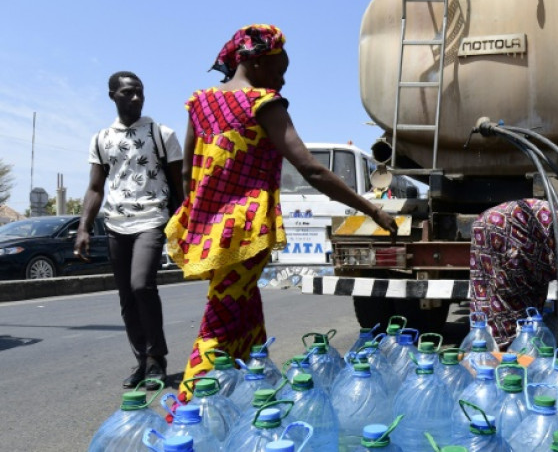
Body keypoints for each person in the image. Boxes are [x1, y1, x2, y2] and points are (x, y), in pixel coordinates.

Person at [165, 24, 397, 400]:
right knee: (219, 324)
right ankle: (187, 412)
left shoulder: (200, 103)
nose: (283, 80)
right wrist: (371, 209)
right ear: (256, 63)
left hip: (209, 229)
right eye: (279, 69)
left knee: (244, 310)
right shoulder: (263, 103)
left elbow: (186, 171)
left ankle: (260, 393)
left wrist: (194, 216)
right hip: (242, 231)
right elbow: (312, 169)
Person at [76, 71, 184, 390]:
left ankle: (156, 360)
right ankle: (142, 361)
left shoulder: (161, 133)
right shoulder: (101, 139)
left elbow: (179, 186)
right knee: (126, 297)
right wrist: (83, 228)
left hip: (152, 219)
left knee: (141, 286)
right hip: (115, 223)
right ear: (113, 95)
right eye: (128, 93)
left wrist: (183, 226)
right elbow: (95, 188)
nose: (135, 97)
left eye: (139, 92)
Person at [470, 199, 558, 348]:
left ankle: (482, 341)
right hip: (505, 230)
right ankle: (508, 347)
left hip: (487, 223)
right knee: (514, 296)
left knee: (486, 286)